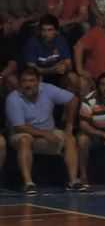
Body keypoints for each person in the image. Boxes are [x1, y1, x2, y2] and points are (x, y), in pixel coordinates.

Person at [6, 66, 83, 194]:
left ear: (39, 81)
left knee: (70, 139)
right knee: (24, 139)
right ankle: (28, 184)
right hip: (22, 135)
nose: (28, 84)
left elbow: (73, 100)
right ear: (19, 83)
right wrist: (44, 134)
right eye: (24, 81)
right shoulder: (13, 98)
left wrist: (69, 126)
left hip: (47, 133)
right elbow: (19, 127)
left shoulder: (48, 89)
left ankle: (73, 181)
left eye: (31, 80)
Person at [23, 13, 76, 91]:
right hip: (40, 76)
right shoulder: (32, 43)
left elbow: (69, 64)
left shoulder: (61, 40)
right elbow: (31, 69)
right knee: (35, 79)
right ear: (40, 31)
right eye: (43, 30)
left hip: (58, 75)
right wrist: (51, 70)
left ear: (56, 31)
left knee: (72, 77)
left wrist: (64, 66)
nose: (46, 34)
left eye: (50, 30)